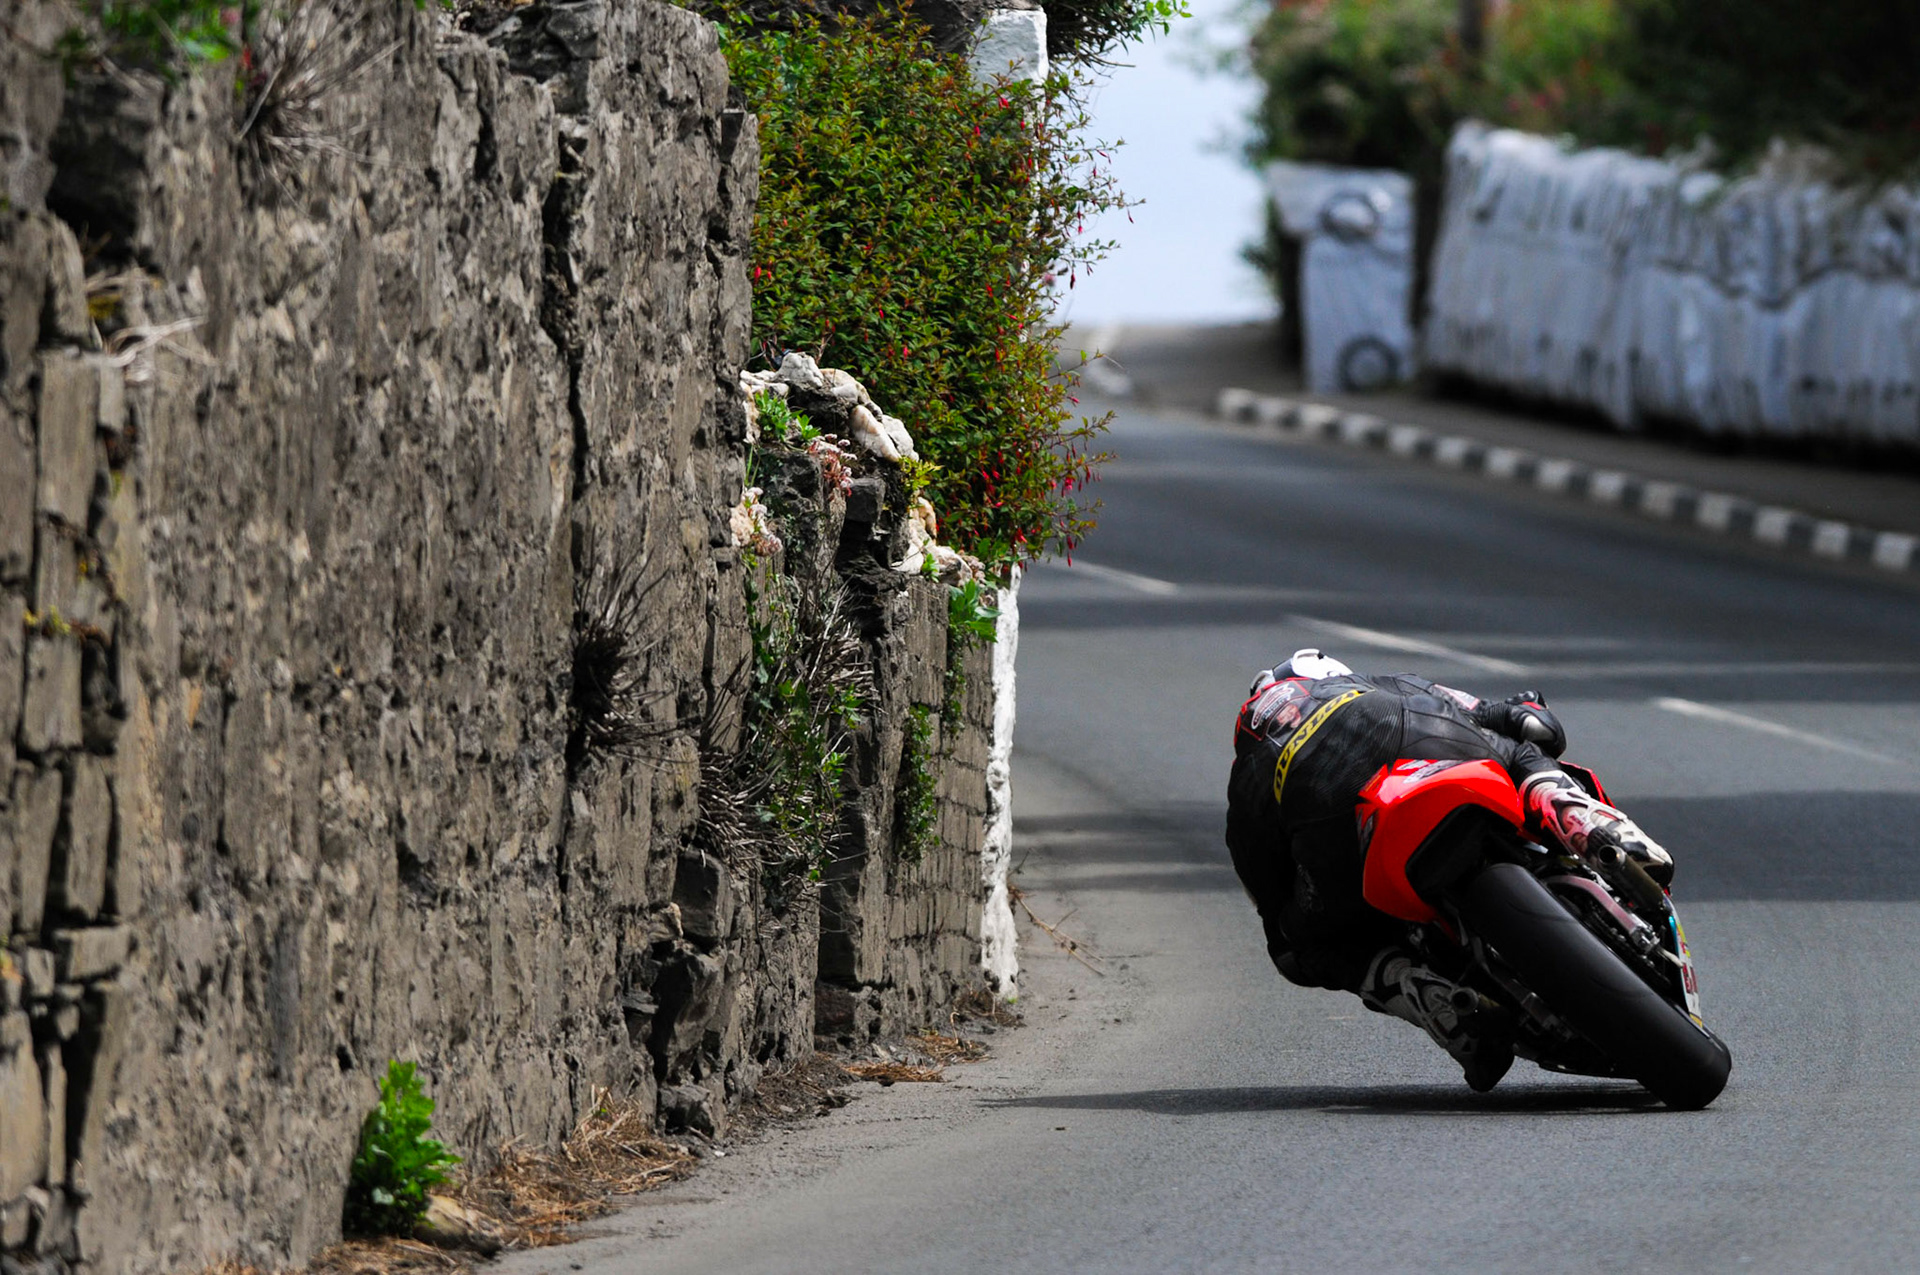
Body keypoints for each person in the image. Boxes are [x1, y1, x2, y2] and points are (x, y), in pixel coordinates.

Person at [1224, 648, 1674, 1091]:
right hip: (1415, 731)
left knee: (1306, 947)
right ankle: (1589, 823)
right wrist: (1530, 711)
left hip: (1326, 818)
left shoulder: (1247, 776)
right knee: (1519, 753)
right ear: (1328, 674)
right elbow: (1527, 723)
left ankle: (1419, 990)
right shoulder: (1381, 683)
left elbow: (1275, 922)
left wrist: (1304, 935)